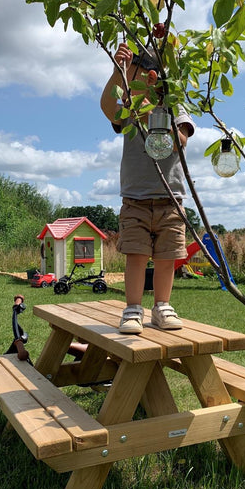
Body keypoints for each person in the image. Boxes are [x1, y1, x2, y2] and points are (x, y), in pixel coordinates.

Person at [100, 43, 195, 334]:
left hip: (170, 199)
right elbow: (108, 107)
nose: (140, 78)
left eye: (142, 72)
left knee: (167, 257)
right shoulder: (128, 106)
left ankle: (162, 306)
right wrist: (119, 72)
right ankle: (132, 309)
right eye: (134, 73)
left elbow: (181, 141)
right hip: (135, 199)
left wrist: (157, 112)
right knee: (136, 256)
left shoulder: (174, 102)